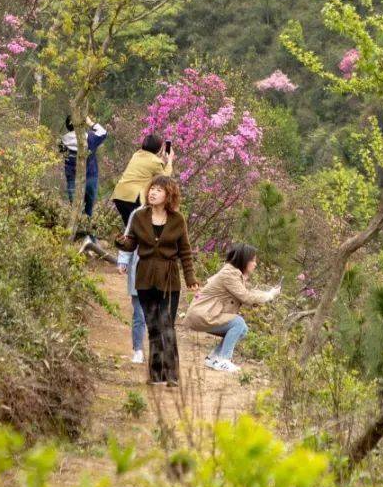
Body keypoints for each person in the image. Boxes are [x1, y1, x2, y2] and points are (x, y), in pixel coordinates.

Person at [116, 175, 194, 386]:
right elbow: (131, 244)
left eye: (159, 190)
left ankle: (172, 375)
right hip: (145, 278)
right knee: (153, 325)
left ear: (169, 195)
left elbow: (185, 251)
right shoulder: (139, 216)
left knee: (167, 324)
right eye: (152, 189)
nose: (153, 193)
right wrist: (122, 243)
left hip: (169, 279)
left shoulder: (178, 219)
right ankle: (156, 374)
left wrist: (190, 278)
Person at [184, 243, 280, 373]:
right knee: (238, 322)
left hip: (204, 314)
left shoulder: (234, 274)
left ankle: (213, 358)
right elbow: (246, 297)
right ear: (244, 260)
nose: (255, 264)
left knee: (243, 329)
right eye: (253, 260)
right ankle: (224, 360)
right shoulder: (229, 274)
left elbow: (247, 293)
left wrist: (269, 294)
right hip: (201, 315)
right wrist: (269, 296)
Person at [111, 133, 174, 231]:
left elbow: (148, 165)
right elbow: (164, 178)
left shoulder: (137, 154)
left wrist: (161, 159)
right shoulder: (155, 162)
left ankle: (129, 244)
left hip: (119, 195)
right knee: (142, 228)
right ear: (158, 148)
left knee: (130, 228)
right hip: (133, 198)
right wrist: (169, 161)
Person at [61, 115, 108, 219]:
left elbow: (63, 154)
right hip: (90, 175)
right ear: (82, 126)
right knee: (89, 208)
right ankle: (87, 229)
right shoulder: (90, 138)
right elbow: (103, 133)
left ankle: (76, 230)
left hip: (72, 178)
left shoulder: (62, 142)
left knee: (75, 208)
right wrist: (90, 123)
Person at [116, 234, 147, 365]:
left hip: (160, 275)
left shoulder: (170, 216)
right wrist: (123, 261)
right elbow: (128, 238)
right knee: (139, 314)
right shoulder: (137, 215)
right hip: (139, 272)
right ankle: (138, 350)